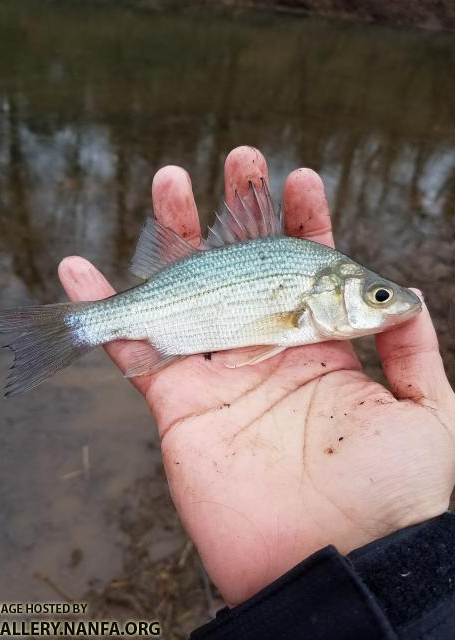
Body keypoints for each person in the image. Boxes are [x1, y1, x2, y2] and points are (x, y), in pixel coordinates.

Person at [59, 147, 455, 638]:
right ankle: (69, 330)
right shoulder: (308, 281)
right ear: (326, 294)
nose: (388, 306)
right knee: (86, 323)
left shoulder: (312, 280)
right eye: (377, 297)